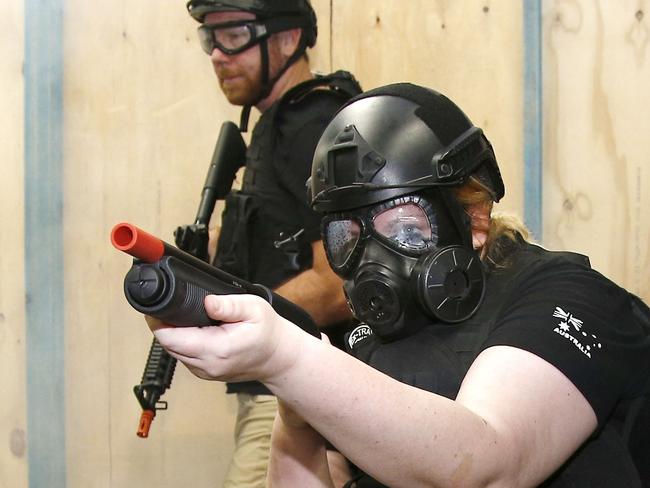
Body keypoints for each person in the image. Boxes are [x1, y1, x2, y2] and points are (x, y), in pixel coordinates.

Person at [149, 83, 650, 487]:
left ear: (473, 217)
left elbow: (487, 466)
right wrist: (295, 411)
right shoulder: (368, 340)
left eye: (405, 226)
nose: (372, 258)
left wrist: (289, 358)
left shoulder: (564, 293)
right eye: (347, 235)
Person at [184, 0, 362, 485]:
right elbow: (280, 240)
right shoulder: (278, 123)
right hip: (277, 386)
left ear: (287, 39)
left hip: (297, 391)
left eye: (235, 36)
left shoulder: (312, 124)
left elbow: (338, 284)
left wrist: (225, 314)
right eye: (210, 38)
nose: (218, 54)